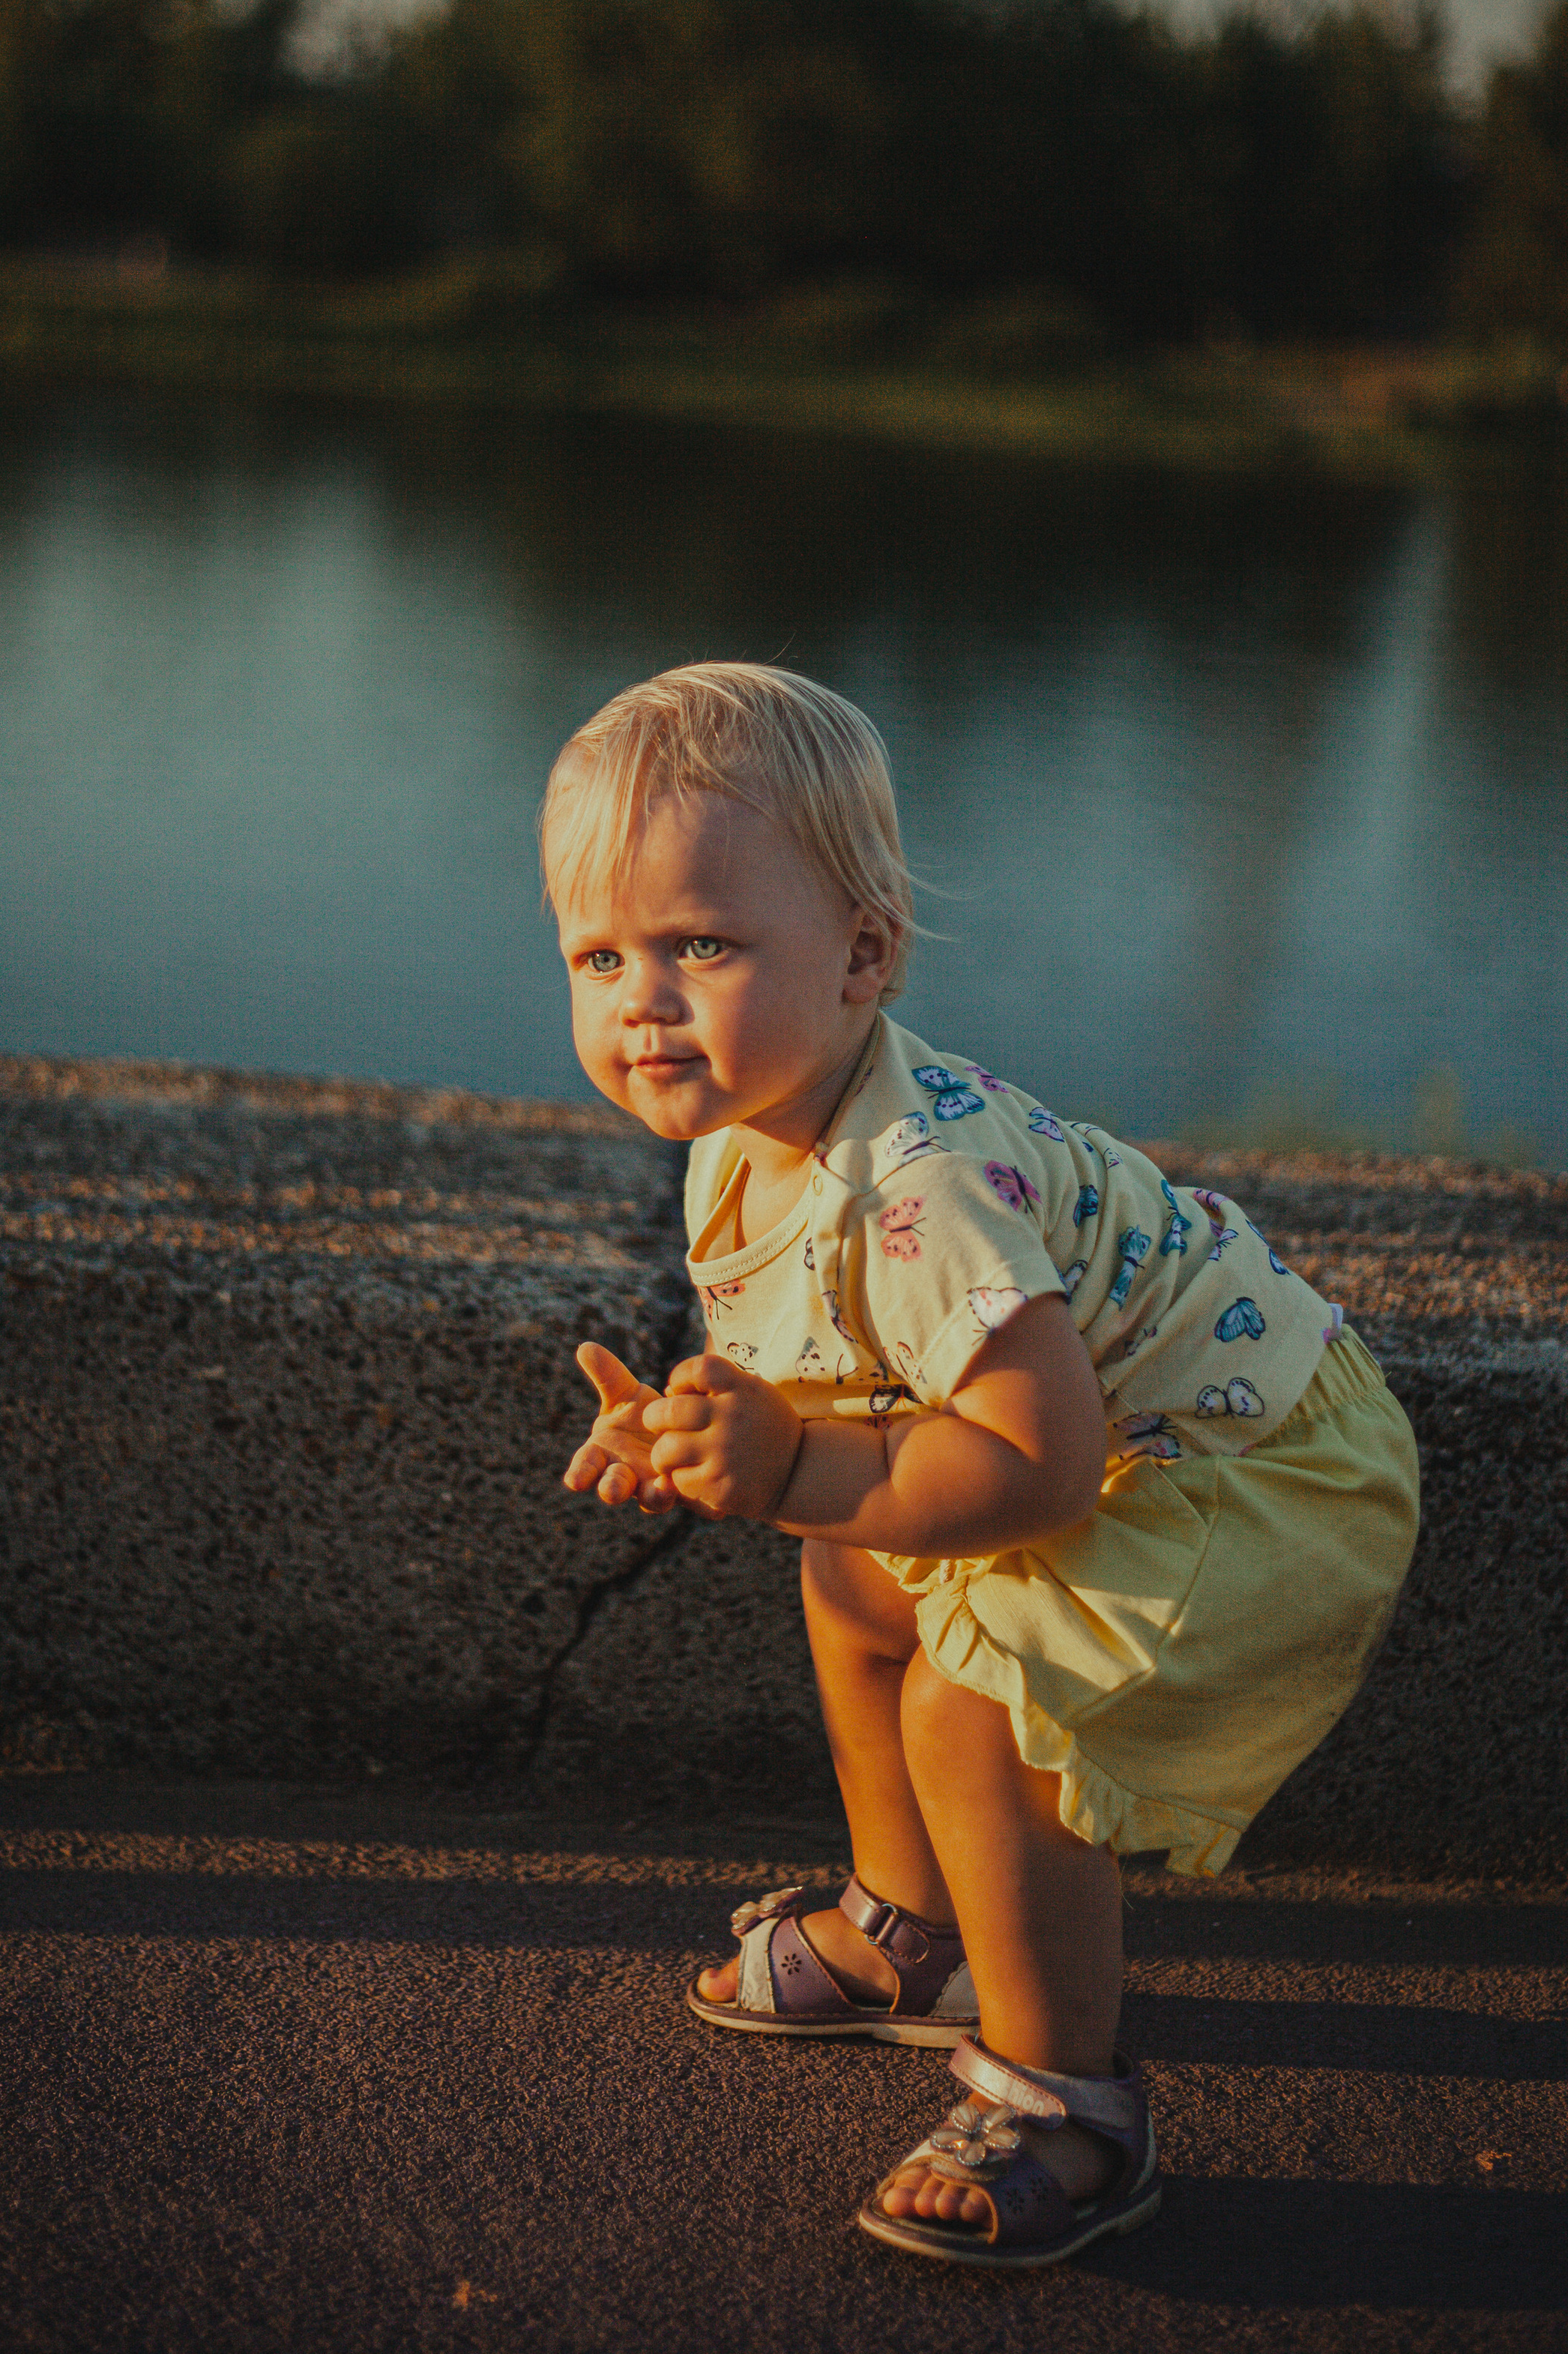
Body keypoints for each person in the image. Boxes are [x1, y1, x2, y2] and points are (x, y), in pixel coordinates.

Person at [545, 662, 1419, 2272]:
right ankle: (909, 1935)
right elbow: (850, 1373)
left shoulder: (922, 1184)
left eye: (700, 947)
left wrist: (796, 1465)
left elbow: (1033, 1467)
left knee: (981, 1699)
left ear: (862, 954)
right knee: (856, 1570)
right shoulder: (747, 1123)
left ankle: (1066, 2104)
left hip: (1257, 1454)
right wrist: (707, 1431)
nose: (640, 1003)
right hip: (1126, 1430)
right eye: (598, 956)